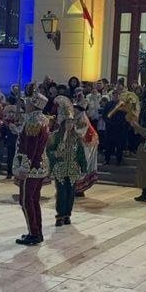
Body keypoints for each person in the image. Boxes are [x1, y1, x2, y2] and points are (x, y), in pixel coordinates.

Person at [13, 91, 50, 246]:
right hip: (39, 166)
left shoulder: (33, 122)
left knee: (26, 201)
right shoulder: (42, 119)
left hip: (31, 168)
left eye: (28, 102)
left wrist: (24, 167)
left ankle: (33, 233)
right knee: (34, 200)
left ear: (34, 105)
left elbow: (30, 148)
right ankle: (37, 232)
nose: (25, 104)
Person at [47, 96, 87, 226]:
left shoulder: (77, 137)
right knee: (61, 193)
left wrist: (84, 168)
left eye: (72, 122)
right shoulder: (55, 136)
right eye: (68, 122)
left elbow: (81, 154)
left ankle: (67, 215)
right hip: (60, 169)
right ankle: (60, 215)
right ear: (63, 123)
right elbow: (49, 151)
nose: (70, 124)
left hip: (73, 169)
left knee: (70, 193)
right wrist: (56, 154)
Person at [73, 89, 99, 196]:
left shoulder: (82, 119)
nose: (73, 110)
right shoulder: (77, 118)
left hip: (86, 145)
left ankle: (80, 188)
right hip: (81, 144)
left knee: (81, 165)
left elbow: (80, 132)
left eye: (75, 109)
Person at [102, 78, 128, 166]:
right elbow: (104, 114)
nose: (115, 96)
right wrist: (107, 121)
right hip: (110, 127)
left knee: (119, 145)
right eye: (114, 94)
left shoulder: (123, 105)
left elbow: (126, 115)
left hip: (119, 128)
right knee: (108, 144)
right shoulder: (109, 104)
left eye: (117, 94)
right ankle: (107, 159)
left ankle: (119, 160)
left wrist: (122, 122)